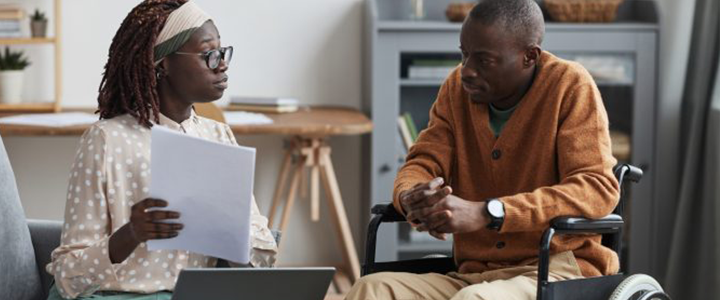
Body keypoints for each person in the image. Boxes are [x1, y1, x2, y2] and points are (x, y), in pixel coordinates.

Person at [346, 0, 619, 299]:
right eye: (464, 55)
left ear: (529, 56)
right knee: (371, 289)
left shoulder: (570, 86)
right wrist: (410, 195)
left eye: (484, 61)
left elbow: (596, 188)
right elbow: (424, 159)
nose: (467, 71)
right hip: (474, 273)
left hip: (555, 270)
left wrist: (490, 212)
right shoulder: (455, 90)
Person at [46, 1, 277, 299]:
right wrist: (132, 233)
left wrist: (232, 230)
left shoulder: (218, 136)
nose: (222, 64)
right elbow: (68, 276)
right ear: (163, 63)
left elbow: (264, 259)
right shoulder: (106, 140)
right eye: (209, 55)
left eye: (223, 52)